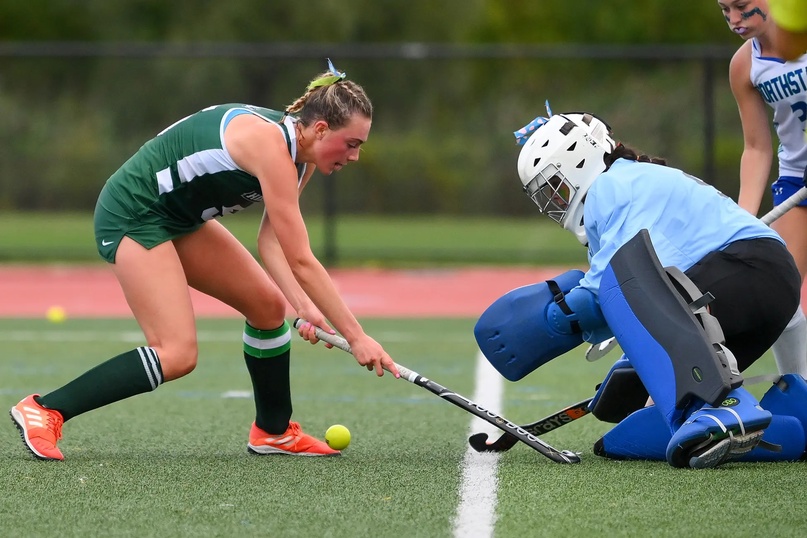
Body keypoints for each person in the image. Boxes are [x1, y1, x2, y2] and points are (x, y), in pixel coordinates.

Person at [9, 59, 400, 462]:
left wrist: (304, 309)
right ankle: (45, 409)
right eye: (352, 144)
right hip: (134, 212)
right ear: (320, 129)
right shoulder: (270, 147)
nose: (354, 157)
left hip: (179, 218)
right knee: (178, 353)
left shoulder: (302, 158)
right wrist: (356, 337)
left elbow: (273, 244)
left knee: (268, 308)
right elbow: (301, 259)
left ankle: (274, 431)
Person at [480, 110, 802, 468]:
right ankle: (795, 422)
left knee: (628, 296)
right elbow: (627, 297)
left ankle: (727, 407)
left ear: (577, 160)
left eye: (555, 187)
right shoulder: (629, 181)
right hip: (770, 283)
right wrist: (633, 369)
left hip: (747, 269)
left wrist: (557, 318)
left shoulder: (608, 187)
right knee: (633, 436)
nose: (554, 202)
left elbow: (609, 290)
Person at [720, 0, 807, 379]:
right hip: (796, 184)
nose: (734, 20)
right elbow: (757, 147)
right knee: (775, 290)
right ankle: (802, 394)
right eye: (724, 9)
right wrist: (741, 220)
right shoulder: (744, 64)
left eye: (742, 6)